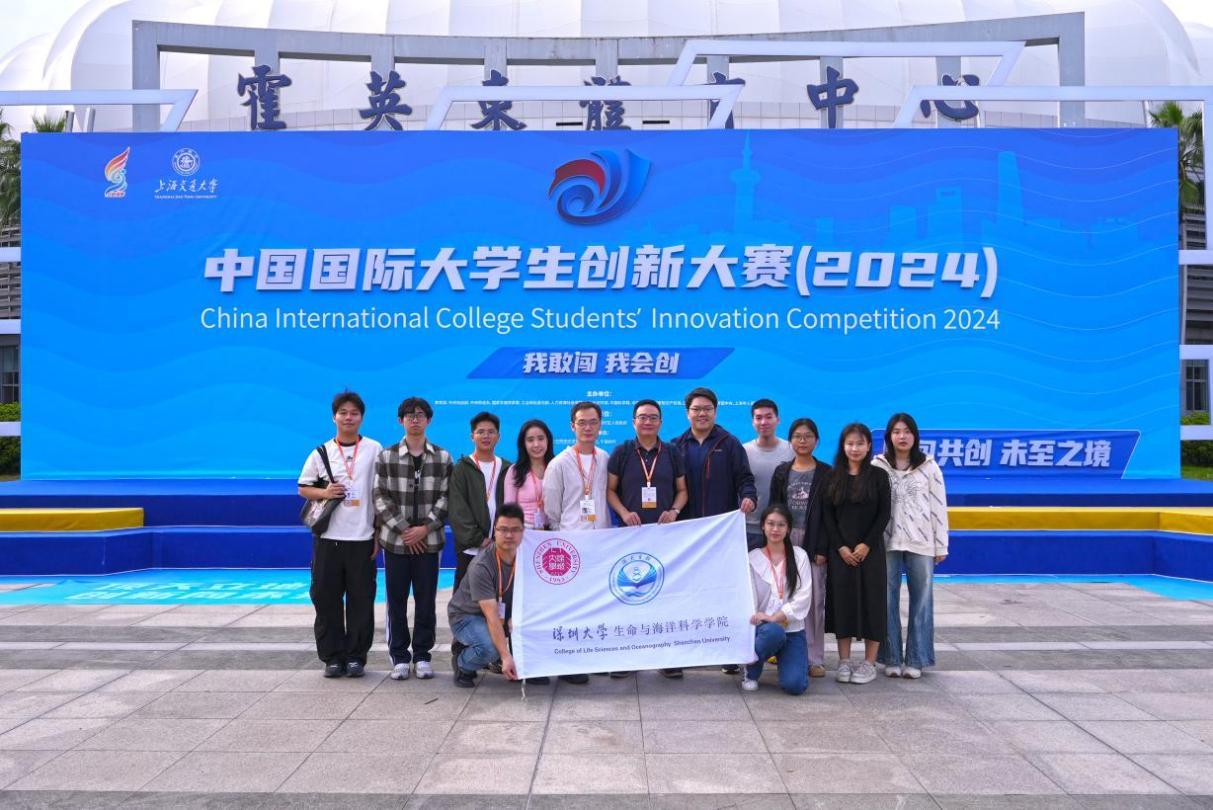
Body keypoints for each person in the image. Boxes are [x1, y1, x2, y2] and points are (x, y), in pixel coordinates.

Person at [297, 391, 382, 679]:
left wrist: (378, 534)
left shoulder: (373, 448)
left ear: (362, 418)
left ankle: (356, 657)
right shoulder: (321, 452)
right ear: (334, 417)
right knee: (325, 599)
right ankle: (332, 658)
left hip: (362, 539)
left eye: (354, 413)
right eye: (343, 413)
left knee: (361, 601)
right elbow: (303, 487)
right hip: (328, 540)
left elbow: (380, 493)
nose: (348, 418)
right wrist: (325, 492)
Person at [672, 386, 757, 674]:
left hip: (721, 536)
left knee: (722, 593)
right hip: (686, 535)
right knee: (685, 591)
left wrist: (749, 497)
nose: (702, 414)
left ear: (715, 411)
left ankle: (727, 652)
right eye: (696, 409)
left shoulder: (729, 444)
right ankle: (683, 651)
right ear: (687, 413)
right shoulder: (676, 446)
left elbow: (745, 479)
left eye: (707, 409)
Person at [607, 399, 689, 679]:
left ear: (661, 422)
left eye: (653, 417)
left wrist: (674, 511)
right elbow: (610, 490)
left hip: (664, 537)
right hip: (630, 536)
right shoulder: (622, 452)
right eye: (642, 417)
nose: (648, 422)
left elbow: (682, 490)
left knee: (665, 595)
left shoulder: (672, 452)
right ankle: (627, 658)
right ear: (634, 422)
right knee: (629, 595)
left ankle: (667, 658)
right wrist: (624, 513)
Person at [373, 396, 453, 681]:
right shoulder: (387, 456)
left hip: (428, 544)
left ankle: (422, 655)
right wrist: (406, 529)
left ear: (428, 420)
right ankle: (399, 657)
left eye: (420, 415)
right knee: (396, 600)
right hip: (396, 542)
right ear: (401, 420)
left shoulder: (442, 457)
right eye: (409, 415)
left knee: (426, 600)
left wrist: (425, 528)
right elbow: (380, 497)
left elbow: (447, 497)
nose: (415, 419)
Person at [873, 413, 949, 680]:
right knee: (886, 599)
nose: (902, 436)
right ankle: (891, 657)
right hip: (887, 542)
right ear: (889, 436)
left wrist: (941, 544)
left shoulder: (929, 466)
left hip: (922, 541)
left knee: (922, 600)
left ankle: (916, 659)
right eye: (896, 431)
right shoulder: (878, 465)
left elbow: (939, 506)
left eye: (907, 431)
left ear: (915, 436)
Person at [541, 401, 610, 685]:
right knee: (571, 606)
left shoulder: (605, 458)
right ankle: (569, 662)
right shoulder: (559, 463)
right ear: (572, 426)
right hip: (570, 544)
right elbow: (552, 509)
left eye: (593, 422)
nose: (588, 427)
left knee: (597, 604)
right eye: (582, 422)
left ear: (600, 425)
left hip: (600, 543)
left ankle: (594, 657)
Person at [447, 504, 551, 687]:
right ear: (494, 530)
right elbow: (492, 617)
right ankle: (462, 662)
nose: (509, 535)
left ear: (523, 531)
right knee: (491, 648)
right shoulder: (482, 565)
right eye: (503, 529)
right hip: (468, 615)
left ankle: (524, 665)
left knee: (539, 621)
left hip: (504, 612)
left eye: (515, 530)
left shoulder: (529, 557)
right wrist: (505, 656)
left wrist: (519, 619)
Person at [822, 422, 891, 686]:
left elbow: (884, 514)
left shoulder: (878, 476)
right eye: (850, 443)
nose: (855, 448)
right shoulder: (833, 476)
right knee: (843, 604)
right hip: (841, 552)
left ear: (869, 446)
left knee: (873, 603)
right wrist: (840, 547)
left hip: (870, 552)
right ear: (843, 446)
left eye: (860, 443)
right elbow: (828, 516)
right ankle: (844, 661)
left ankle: (869, 663)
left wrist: (866, 545)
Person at [769, 417, 831, 679]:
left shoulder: (827, 473)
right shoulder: (782, 471)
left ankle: (814, 658)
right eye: (797, 436)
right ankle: (783, 651)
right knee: (783, 596)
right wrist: (775, 543)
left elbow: (830, 515)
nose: (802, 441)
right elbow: (774, 509)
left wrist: (823, 547)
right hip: (785, 539)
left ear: (816, 441)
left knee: (814, 601)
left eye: (808, 436)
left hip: (813, 541)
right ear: (790, 440)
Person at [741, 504, 812, 695]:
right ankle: (750, 671)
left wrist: (775, 617)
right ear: (762, 526)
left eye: (781, 525)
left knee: (795, 686)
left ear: (788, 529)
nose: (775, 529)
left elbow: (804, 597)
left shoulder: (800, 556)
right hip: (764, 630)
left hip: (792, 629)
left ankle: (782, 658)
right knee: (773, 632)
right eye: (770, 524)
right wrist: (764, 620)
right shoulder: (752, 558)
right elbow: (749, 599)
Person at [449, 412, 509, 590]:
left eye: (491, 432)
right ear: (472, 436)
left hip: (500, 548)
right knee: (464, 599)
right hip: (470, 550)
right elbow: (457, 509)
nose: (486, 436)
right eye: (480, 432)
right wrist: (478, 539)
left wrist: (501, 539)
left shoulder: (507, 468)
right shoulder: (462, 468)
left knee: (497, 596)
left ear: (498, 436)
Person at [744, 399, 795, 549]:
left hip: (782, 528)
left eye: (768, 417)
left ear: (778, 420)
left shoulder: (792, 450)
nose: (763, 422)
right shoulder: (743, 451)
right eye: (758, 418)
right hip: (750, 528)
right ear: (752, 422)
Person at [503, 419, 554, 529]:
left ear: (548, 440)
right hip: (524, 532)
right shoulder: (515, 471)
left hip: (553, 531)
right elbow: (509, 510)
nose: (536, 444)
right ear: (523, 444)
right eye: (530, 440)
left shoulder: (557, 467)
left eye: (541, 439)